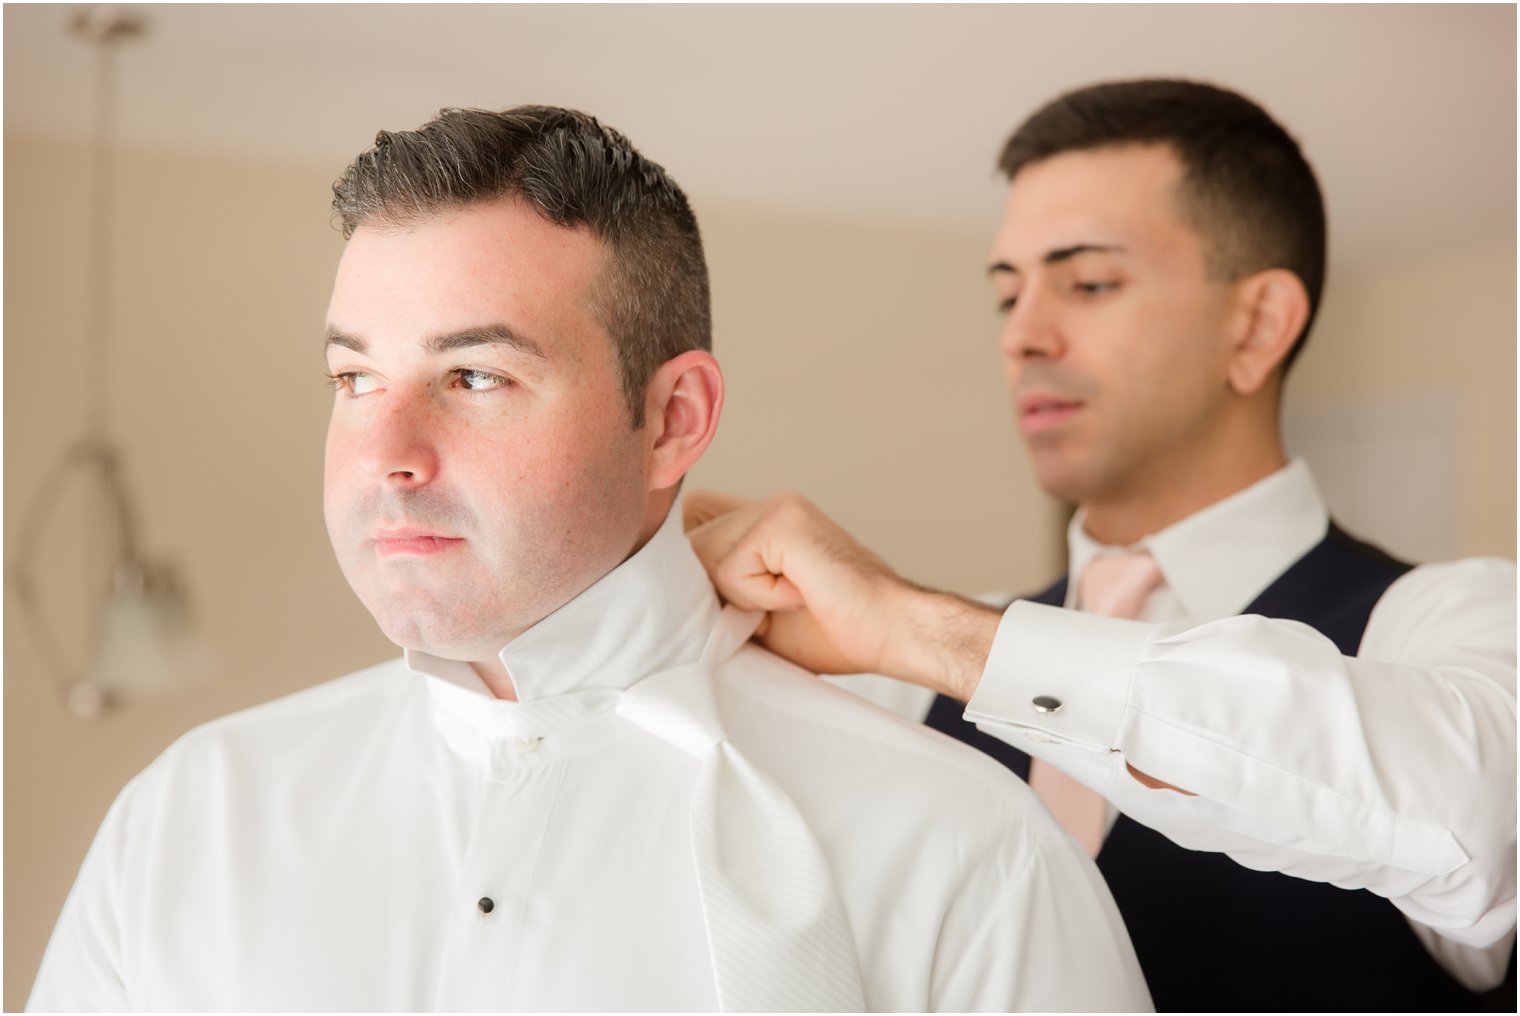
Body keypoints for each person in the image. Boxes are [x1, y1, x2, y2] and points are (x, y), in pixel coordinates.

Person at [27, 105, 1149, 1013]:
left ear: (670, 418)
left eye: (474, 377)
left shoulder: (961, 854)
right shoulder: (187, 818)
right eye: (354, 378)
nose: (386, 455)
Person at [685, 79, 1517, 1011]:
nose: (1024, 336)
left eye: (1087, 284)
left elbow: (1480, 821)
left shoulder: (1455, 620)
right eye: (1009, 294)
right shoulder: (903, 684)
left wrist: (926, 629)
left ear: (1257, 325)